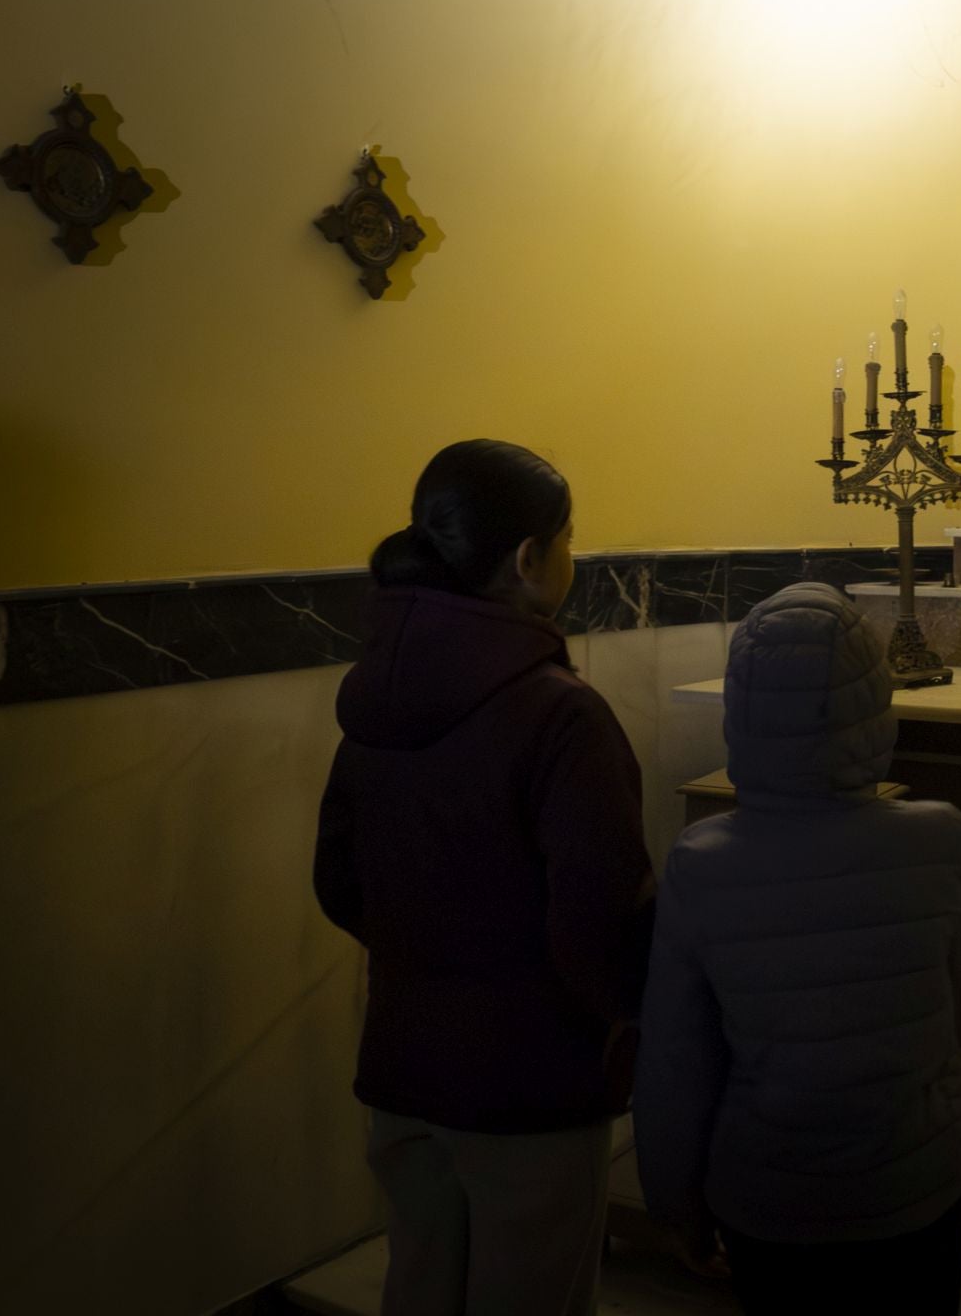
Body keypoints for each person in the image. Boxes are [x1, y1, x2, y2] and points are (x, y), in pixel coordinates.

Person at [313, 439, 653, 1316]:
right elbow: (599, 921)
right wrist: (631, 1020)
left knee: (420, 1285)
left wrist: (428, 960)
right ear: (529, 559)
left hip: (403, 1063)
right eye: (569, 538)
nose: (573, 556)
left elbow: (338, 879)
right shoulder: (561, 714)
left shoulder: (378, 685)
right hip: (529, 1083)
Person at [632, 582, 961, 1314]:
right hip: (912, 1182)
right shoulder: (944, 836)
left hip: (771, 1193)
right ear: (873, 707)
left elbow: (675, 1060)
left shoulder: (702, 863)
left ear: (743, 714)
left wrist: (674, 1205)